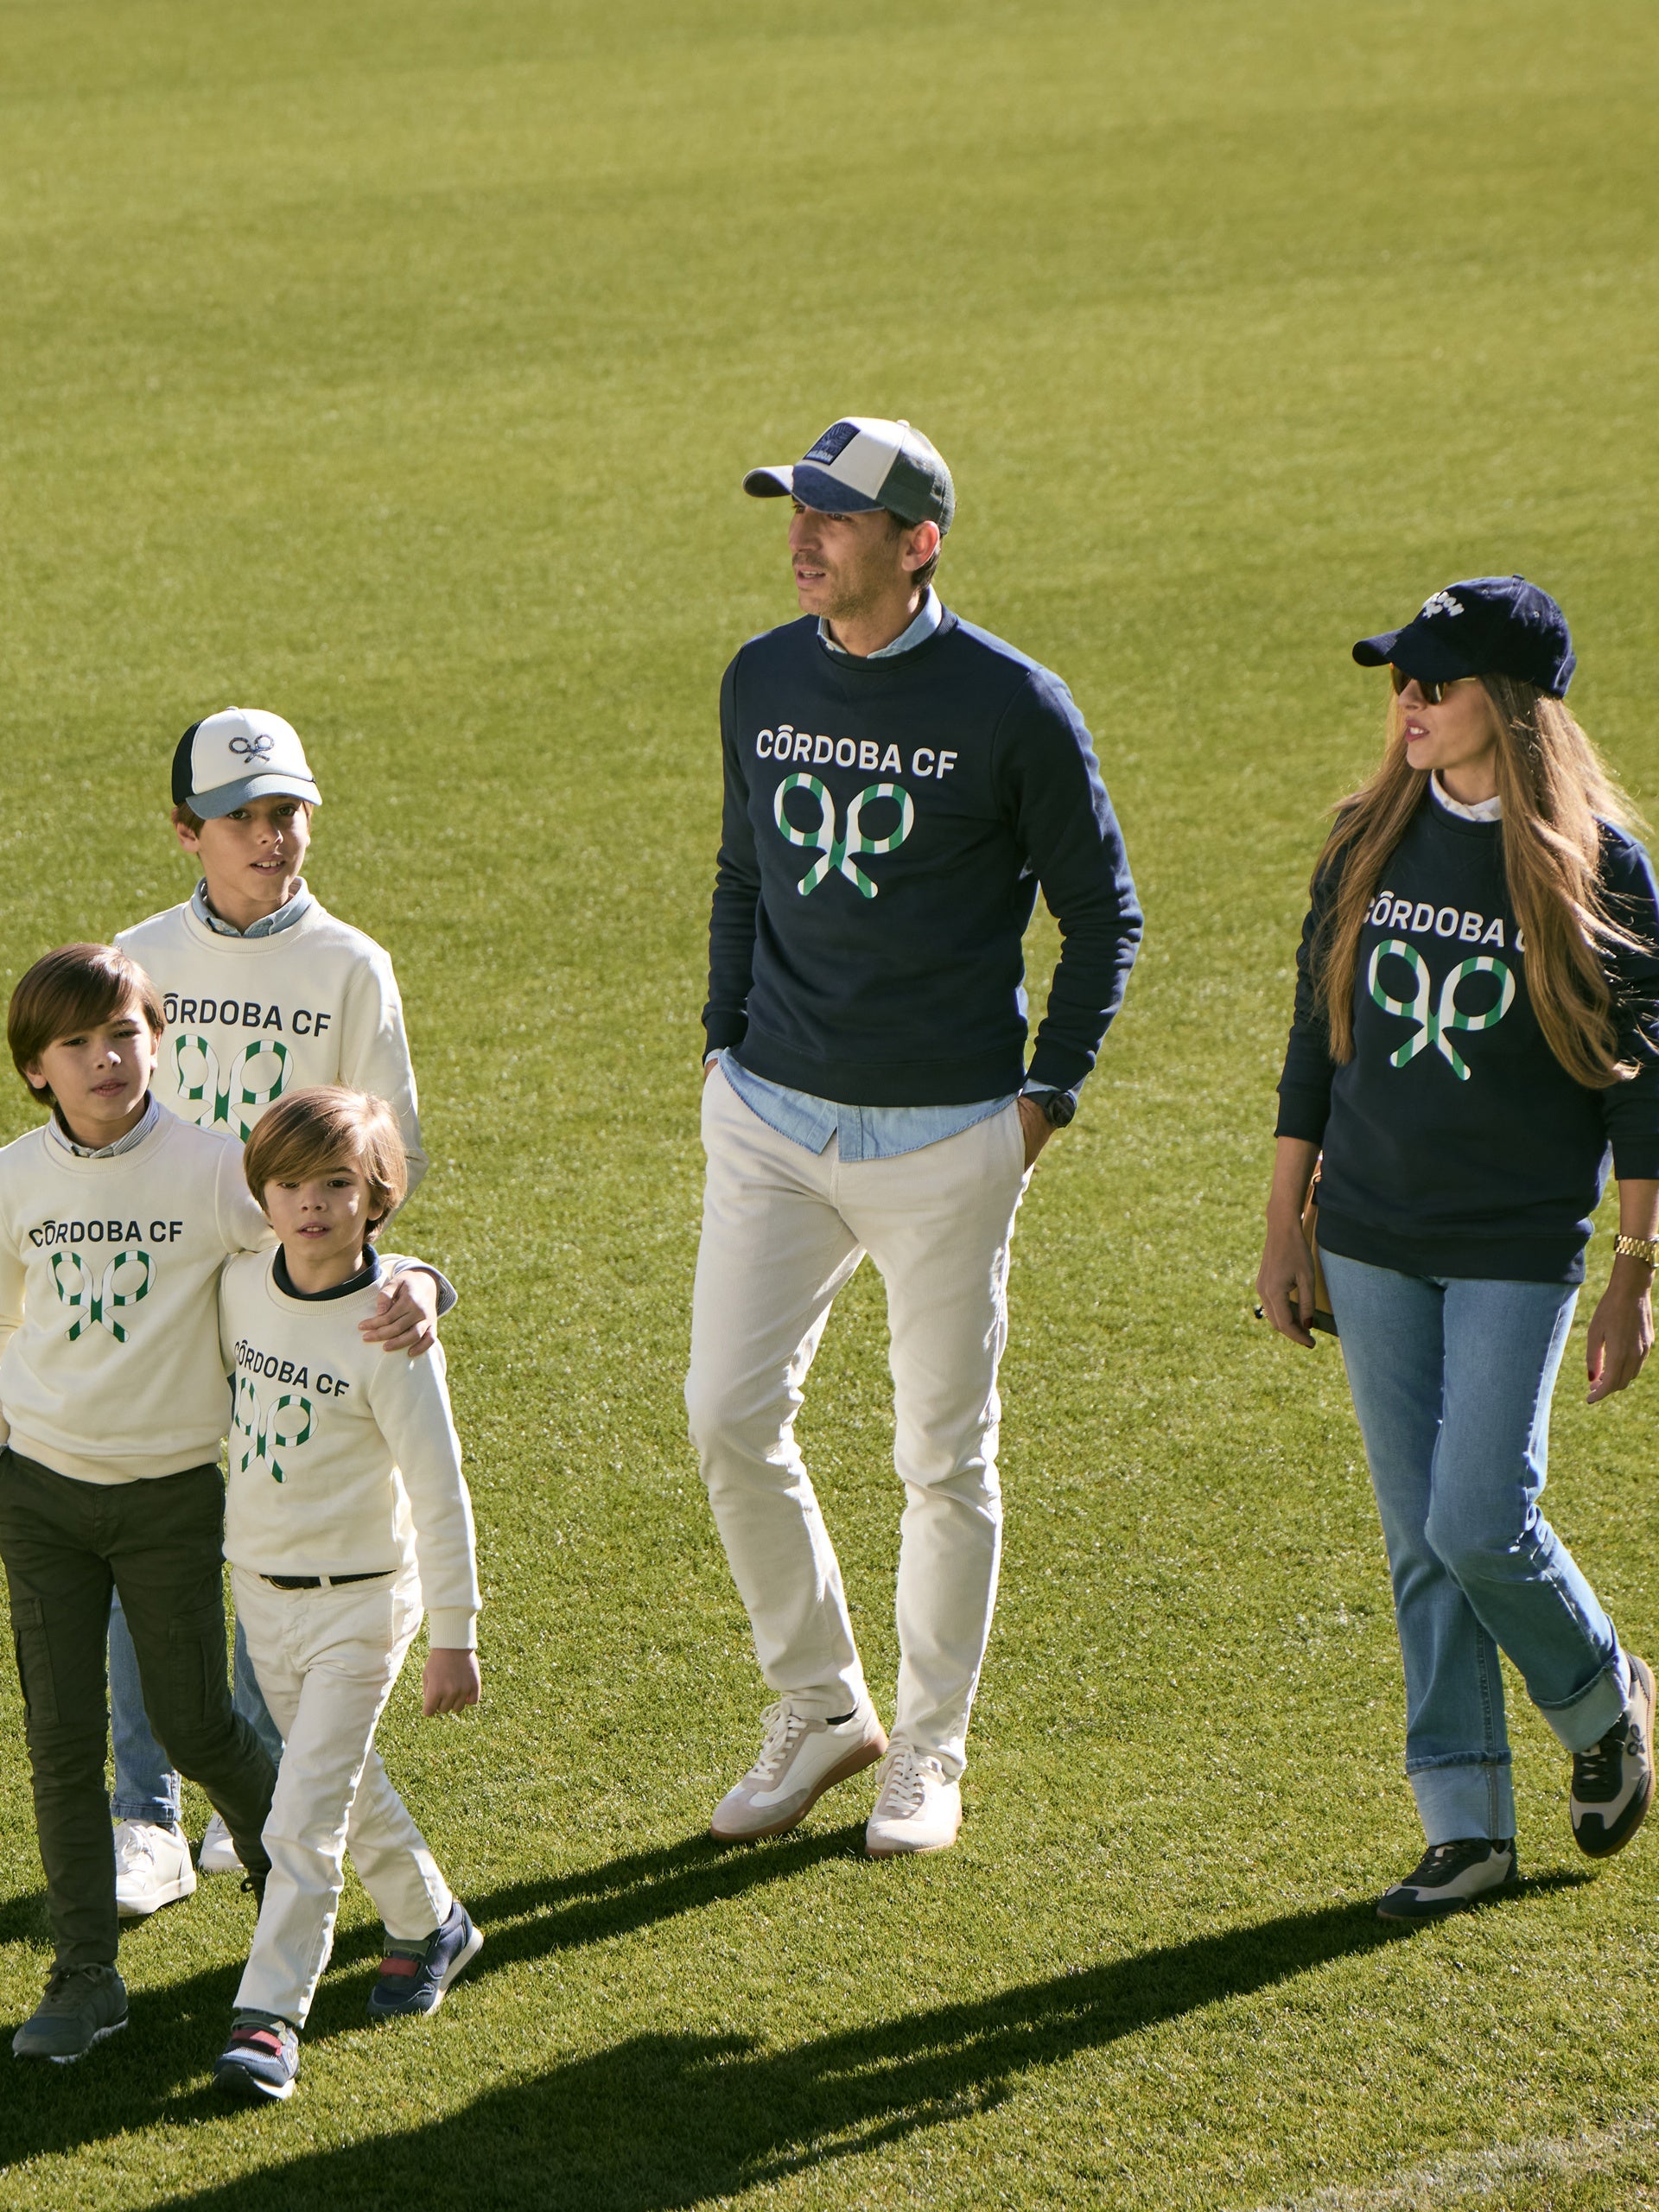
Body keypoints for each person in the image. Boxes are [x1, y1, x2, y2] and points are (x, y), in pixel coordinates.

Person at [687, 416, 1141, 1856]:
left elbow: (1104, 916)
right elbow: (742, 869)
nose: (802, 539)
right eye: (796, 513)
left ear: (917, 541)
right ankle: (824, 1709)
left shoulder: (1013, 705)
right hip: (769, 1117)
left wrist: (1042, 1101)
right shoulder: (760, 674)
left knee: (944, 1459)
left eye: (831, 517)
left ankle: (927, 1752)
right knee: (725, 1415)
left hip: (949, 1137)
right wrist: (722, 1042)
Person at [1256, 575, 1658, 1922]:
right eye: (1401, 681)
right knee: (1417, 1540)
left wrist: (1635, 1275)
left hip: (1515, 1242)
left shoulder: (1599, 864)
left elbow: (1640, 1089)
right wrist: (1284, 1224)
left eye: (1437, 680)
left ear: (1514, 703)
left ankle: (1605, 1699)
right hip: (1367, 1235)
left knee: (1480, 1518)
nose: (1409, 703)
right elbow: (1317, 1044)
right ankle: (1464, 1823)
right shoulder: (1368, 835)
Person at [106, 707, 431, 1911]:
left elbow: (392, 1155)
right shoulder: (137, 961)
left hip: (290, 1309)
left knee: (271, 1541)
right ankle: (143, 1811)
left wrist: (384, 1272)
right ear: (187, 830)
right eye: (241, 816)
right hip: (160, 1305)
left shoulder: (351, 966)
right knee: (154, 1541)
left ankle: (250, 1797)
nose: (270, 836)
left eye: (287, 811)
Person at [212, 1088, 480, 2104]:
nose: (310, 1204)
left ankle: (269, 2018)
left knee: (300, 1819)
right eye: (289, 1184)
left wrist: (454, 1634)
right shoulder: (240, 1285)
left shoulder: (394, 1335)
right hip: (261, 1591)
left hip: (363, 1606)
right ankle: (432, 1923)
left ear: (377, 1200)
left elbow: (441, 1493)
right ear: (263, 1196)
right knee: (340, 1788)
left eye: (336, 1185)